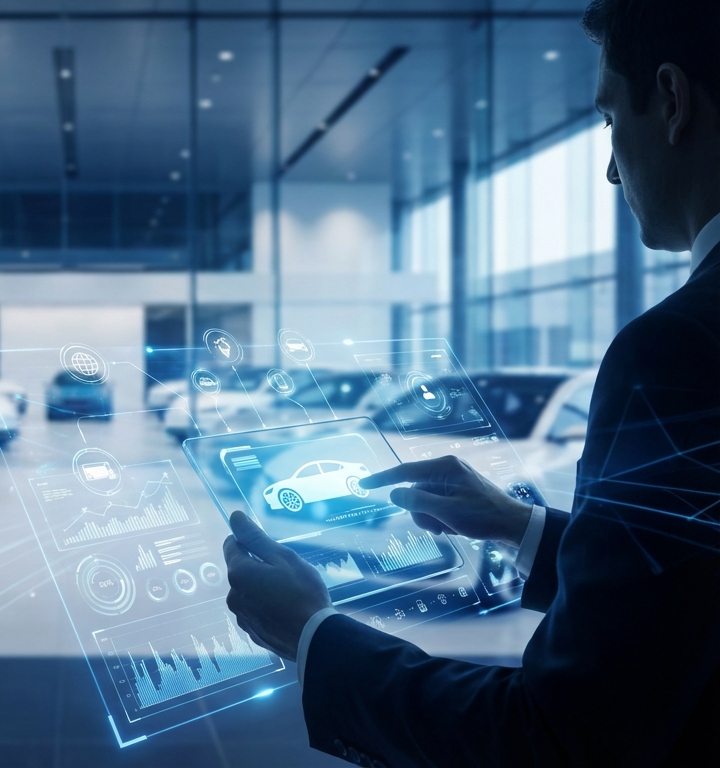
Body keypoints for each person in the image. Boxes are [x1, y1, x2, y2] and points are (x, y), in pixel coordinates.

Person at [222, 0, 720, 765]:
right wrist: (519, 526)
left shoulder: (678, 351)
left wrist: (314, 635)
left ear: (674, 102)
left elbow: (557, 739)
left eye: (611, 118)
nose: (613, 166)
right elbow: (687, 597)